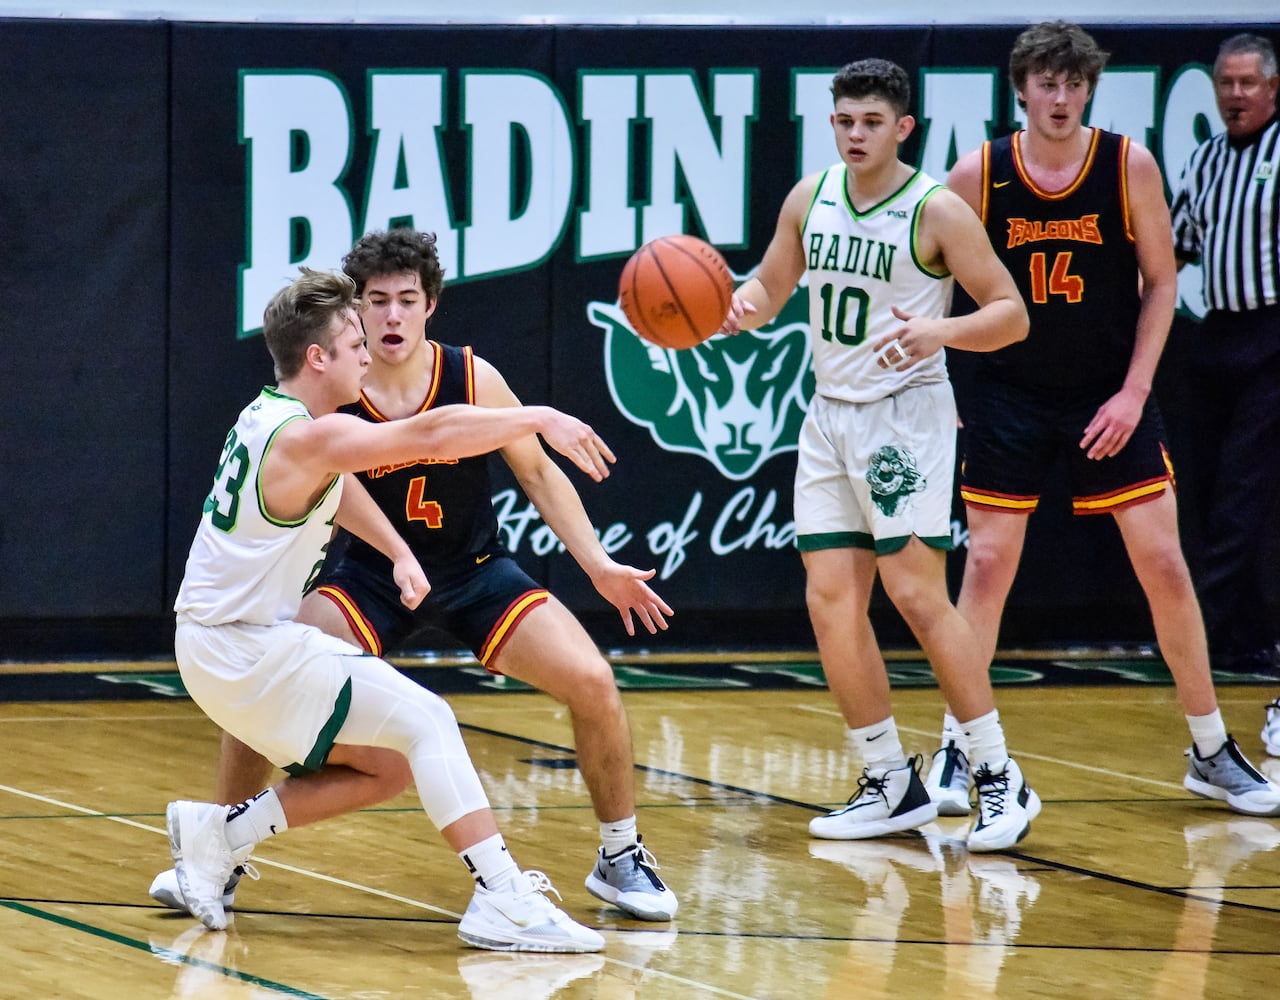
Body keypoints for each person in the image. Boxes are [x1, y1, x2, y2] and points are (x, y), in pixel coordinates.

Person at [151, 228, 679, 922]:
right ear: (353, 315)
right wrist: (396, 552)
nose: (392, 316)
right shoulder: (337, 392)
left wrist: (598, 565)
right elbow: (357, 468)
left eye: (407, 300)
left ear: (430, 306)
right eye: (377, 302)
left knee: (593, 680)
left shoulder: (467, 376)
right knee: (272, 673)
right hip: (369, 577)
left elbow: (538, 473)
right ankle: (219, 850)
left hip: (473, 568)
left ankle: (620, 855)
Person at [932, 22, 1280, 817]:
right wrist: (943, 382)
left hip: (1106, 392)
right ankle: (961, 748)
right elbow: (937, 289)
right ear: (1021, 89)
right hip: (1008, 392)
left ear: (1090, 88)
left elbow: (1162, 284)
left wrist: (1132, 392)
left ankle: (1211, 746)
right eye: (1045, 83)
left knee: (1163, 563)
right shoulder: (978, 172)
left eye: (1073, 83)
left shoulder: (1129, 165)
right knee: (985, 569)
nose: (1060, 97)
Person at [720, 58, 1038, 851]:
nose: (854, 134)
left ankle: (997, 773)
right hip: (830, 416)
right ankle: (889, 779)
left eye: (870, 122)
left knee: (917, 595)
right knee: (829, 600)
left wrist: (940, 331)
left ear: (903, 128)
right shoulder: (811, 196)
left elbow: (1011, 315)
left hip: (907, 419)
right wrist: (735, 306)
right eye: (843, 121)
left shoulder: (938, 210)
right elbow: (771, 287)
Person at [1168, 34, 1280, 748]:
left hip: (1274, 334)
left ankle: (1229, 630)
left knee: (1245, 490)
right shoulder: (1208, 159)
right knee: (1203, 487)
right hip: (1215, 333)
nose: (1234, 95)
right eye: (1225, 83)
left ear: (1273, 89)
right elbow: (1174, 242)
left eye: (1247, 83)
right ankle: (1236, 638)